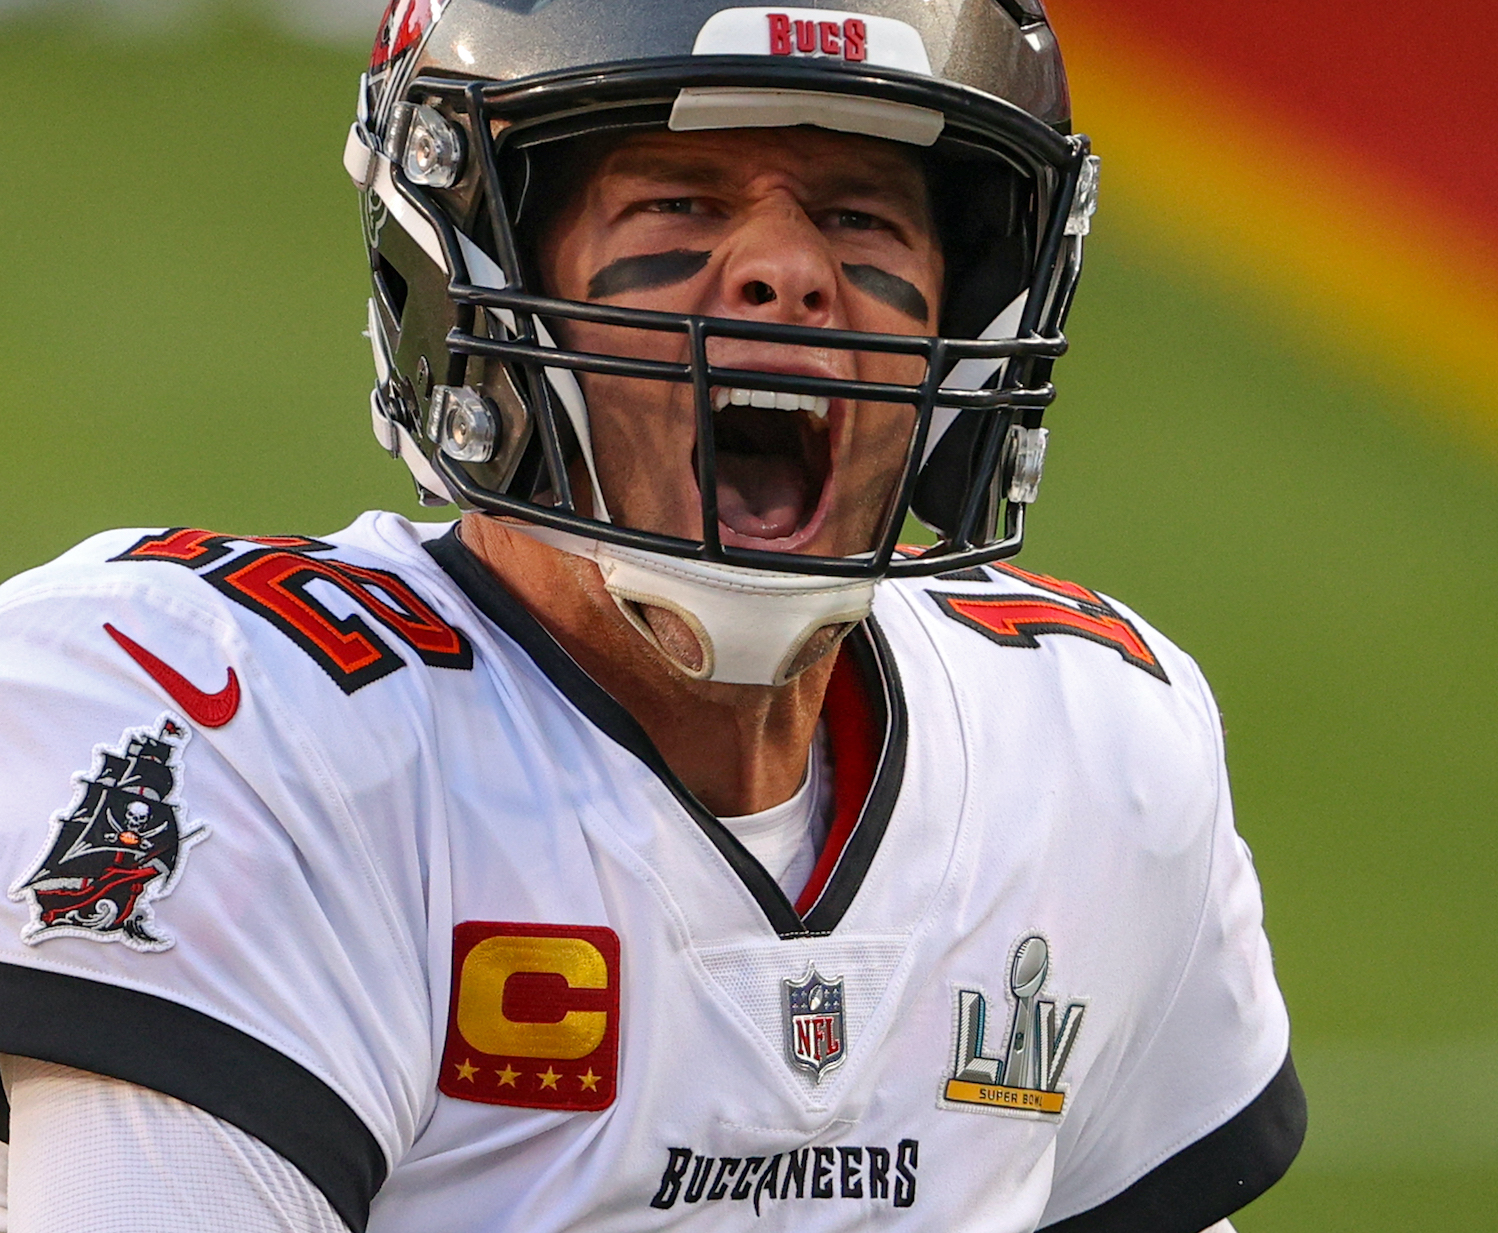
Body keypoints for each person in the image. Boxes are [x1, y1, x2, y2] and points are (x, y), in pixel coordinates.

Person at [0, 1, 1305, 1229]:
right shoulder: (231, 729)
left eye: (861, 218)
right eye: (682, 200)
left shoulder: (1091, 746)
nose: (787, 273)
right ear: (481, 284)